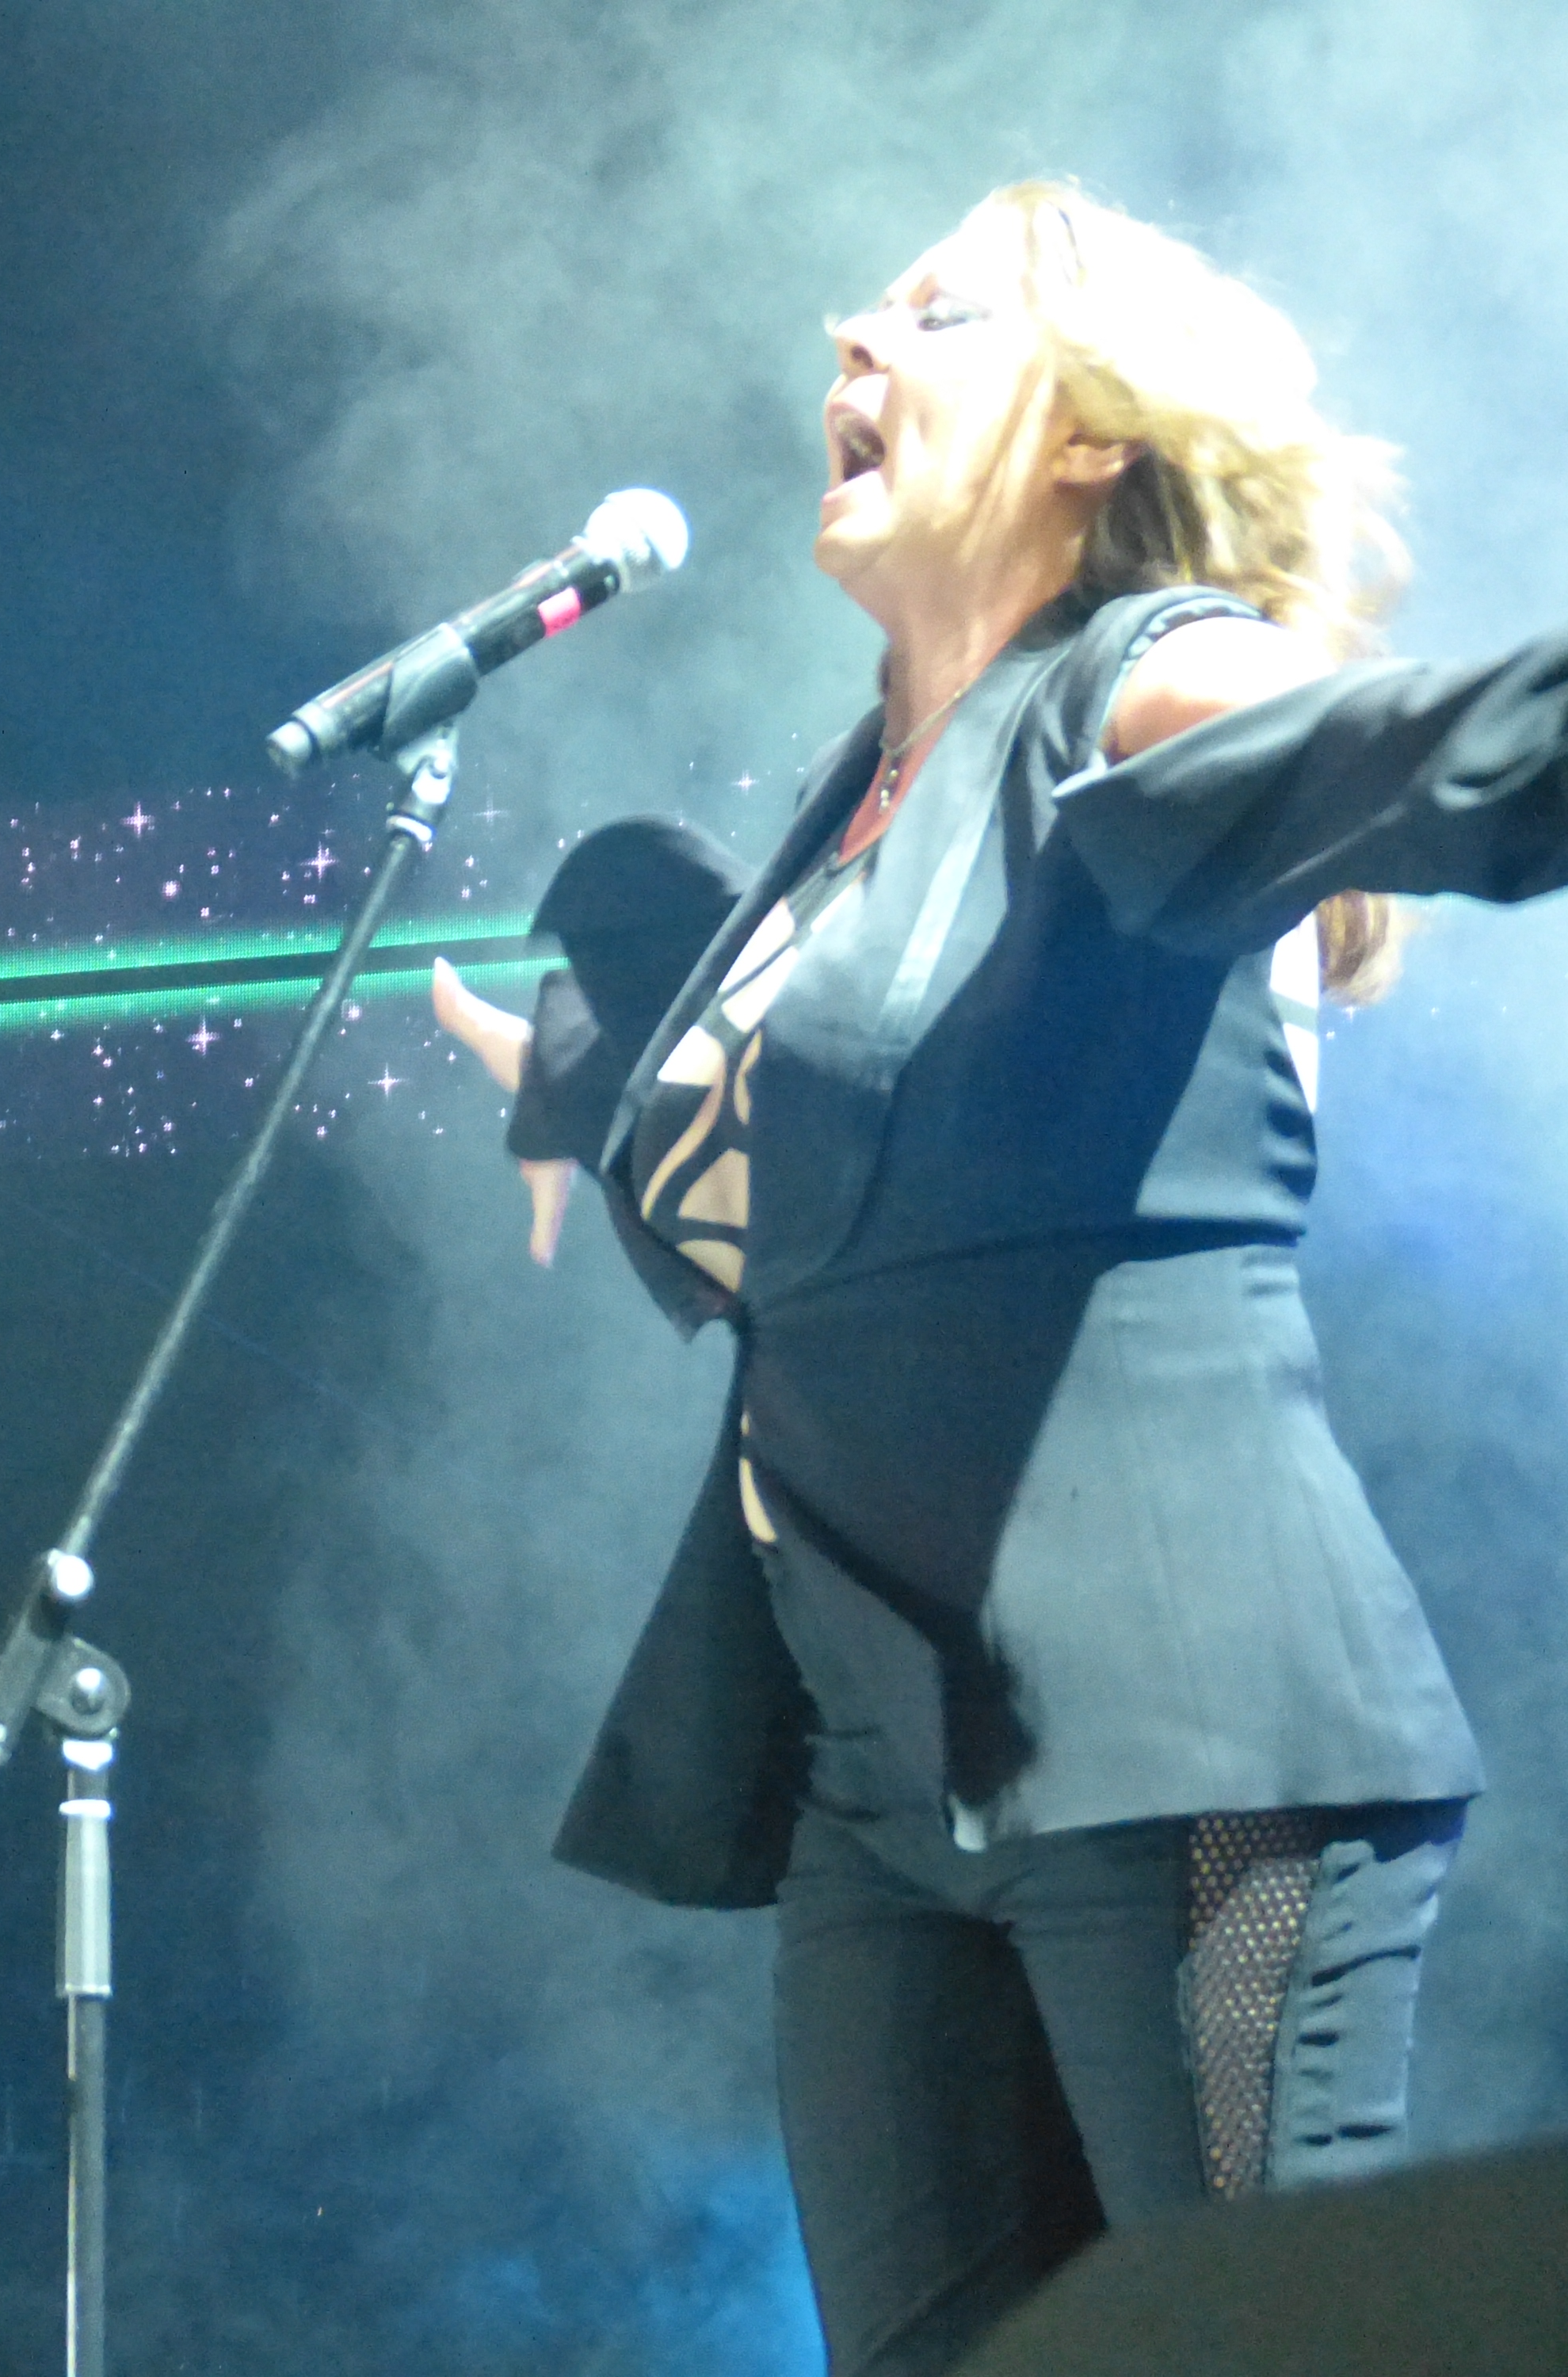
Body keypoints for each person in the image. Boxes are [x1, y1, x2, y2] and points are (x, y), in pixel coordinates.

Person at [429, 180, 1568, 2374]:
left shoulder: (1137, 688)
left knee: (1276, 2356)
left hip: (1190, 1740)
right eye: (870, 305)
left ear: (1090, 437)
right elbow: (839, 1094)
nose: (852, 335)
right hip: (887, 1777)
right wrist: (569, 1084)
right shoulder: (863, 793)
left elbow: (1414, 752)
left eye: (939, 316)